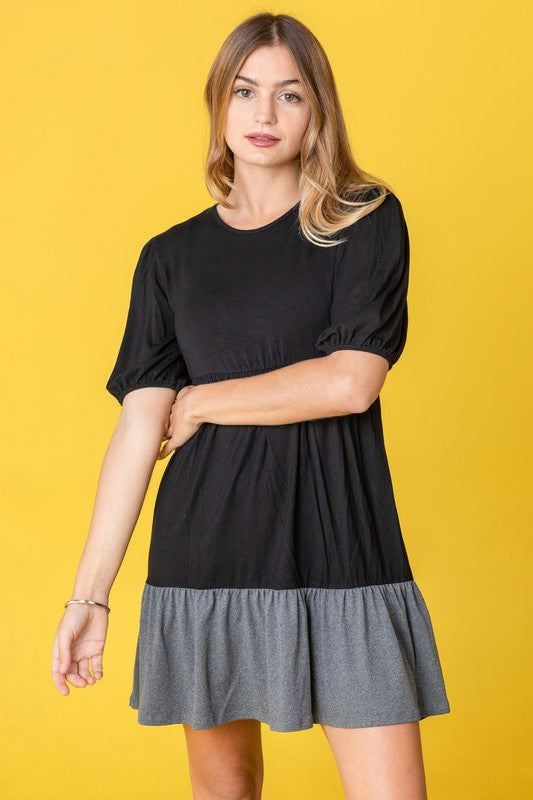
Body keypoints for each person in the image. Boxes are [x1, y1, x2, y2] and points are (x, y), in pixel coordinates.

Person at [51, 12, 451, 800]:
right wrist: (88, 596)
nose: (263, 116)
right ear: (219, 105)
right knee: (225, 789)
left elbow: (349, 382)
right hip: (208, 553)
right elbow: (138, 427)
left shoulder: (364, 220)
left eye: (289, 95)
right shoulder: (169, 259)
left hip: (342, 549)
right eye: (245, 92)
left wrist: (201, 401)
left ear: (318, 111)